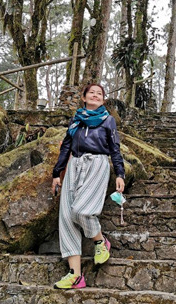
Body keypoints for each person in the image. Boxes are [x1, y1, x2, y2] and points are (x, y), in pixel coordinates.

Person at [50, 83, 125, 289]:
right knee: (66, 218)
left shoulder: (108, 121)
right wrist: (57, 173)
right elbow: (66, 145)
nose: (95, 95)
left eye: (99, 93)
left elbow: (114, 148)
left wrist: (120, 173)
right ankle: (75, 275)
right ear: (84, 97)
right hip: (74, 165)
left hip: (97, 164)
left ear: (103, 100)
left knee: (81, 211)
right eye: (91, 92)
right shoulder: (76, 120)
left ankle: (100, 241)